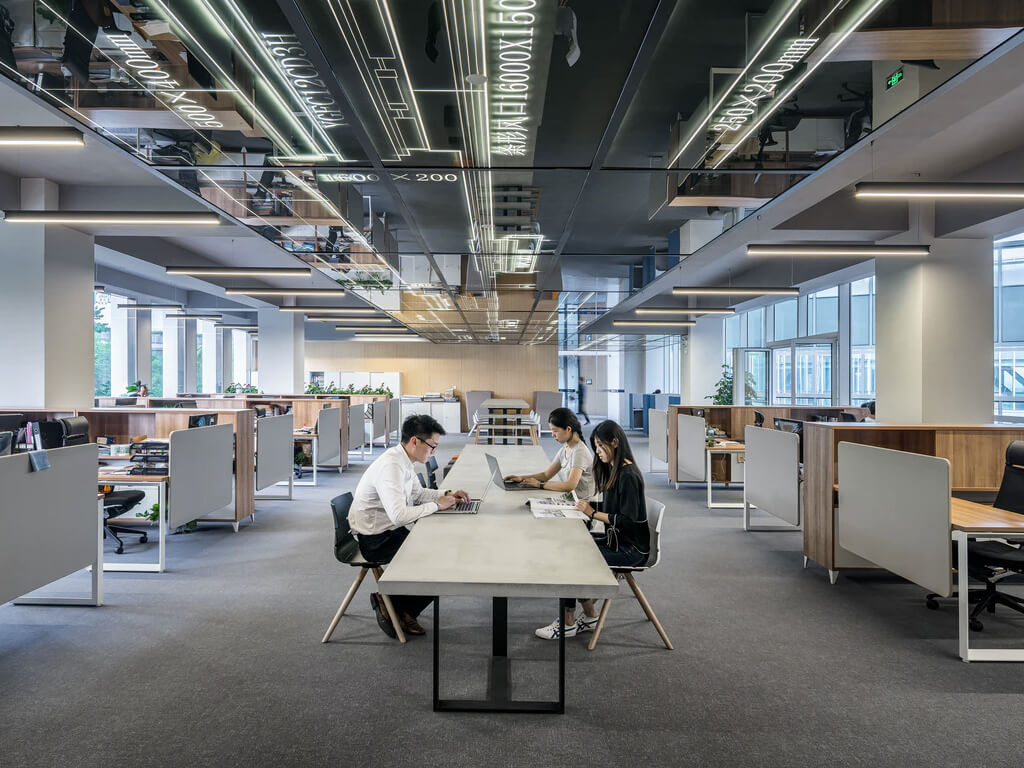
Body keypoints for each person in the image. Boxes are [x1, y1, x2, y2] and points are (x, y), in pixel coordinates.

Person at [348, 414, 469, 639]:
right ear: (415, 441)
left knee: (444, 553)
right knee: (441, 563)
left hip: (389, 530)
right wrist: (436, 505)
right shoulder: (390, 466)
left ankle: (397, 606)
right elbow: (398, 515)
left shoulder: (403, 460)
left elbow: (417, 493)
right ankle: (396, 606)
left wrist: (447, 494)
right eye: (432, 446)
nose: (434, 452)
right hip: (376, 539)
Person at [535, 420, 650, 640]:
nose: (597, 452)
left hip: (631, 550)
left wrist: (592, 513)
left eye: (600, 446)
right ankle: (589, 614)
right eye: (595, 446)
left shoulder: (628, 476)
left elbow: (627, 521)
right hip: (616, 541)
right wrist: (582, 507)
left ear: (615, 442)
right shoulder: (616, 471)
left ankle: (568, 622)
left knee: (570, 559)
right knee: (570, 549)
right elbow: (613, 509)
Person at [504, 408, 595, 499]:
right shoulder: (565, 449)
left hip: (583, 504)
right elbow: (546, 475)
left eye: (555, 431)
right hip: (571, 499)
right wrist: (521, 478)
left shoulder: (579, 452)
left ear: (568, 429)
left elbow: (570, 485)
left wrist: (540, 484)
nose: (552, 435)